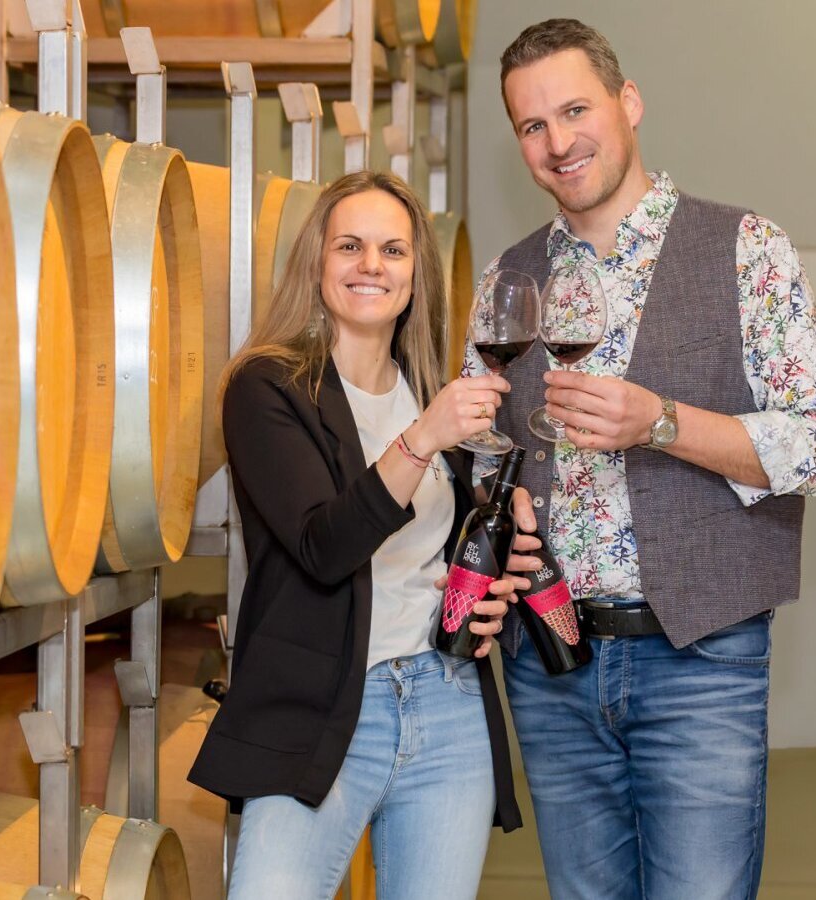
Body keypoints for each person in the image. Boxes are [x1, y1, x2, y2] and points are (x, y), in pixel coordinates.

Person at [469, 18, 816, 900]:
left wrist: (662, 422)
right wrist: (501, 509)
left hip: (701, 662)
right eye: (532, 125)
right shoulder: (509, 280)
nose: (558, 141)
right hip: (552, 659)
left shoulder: (748, 249)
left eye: (574, 110)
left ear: (628, 102)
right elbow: (485, 456)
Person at [187, 171, 524, 900]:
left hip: (446, 700)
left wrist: (494, 594)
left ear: (415, 274)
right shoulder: (267, 388)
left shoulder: (429, 384)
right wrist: (425, 435)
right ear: (317, 262)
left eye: (394, 250)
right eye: (351, 246)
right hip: (323, 708)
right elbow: (324, 547)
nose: (372, 265)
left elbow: (458, 543)